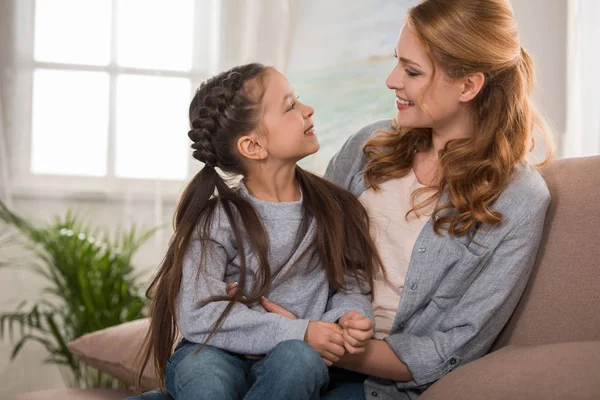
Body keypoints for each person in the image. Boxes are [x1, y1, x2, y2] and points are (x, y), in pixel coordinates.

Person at [259, 0, 554, 399]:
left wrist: (325, 342)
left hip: (371, 382)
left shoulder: (519, 198)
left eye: (412, 71)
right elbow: (306, 246)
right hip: (287, 342)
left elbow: (451, 348)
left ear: (468, 85)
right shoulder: (368, 146)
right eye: (398, 62)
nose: (391, 80)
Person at [132, 63, 384, 400]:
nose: (308, 110)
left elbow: (351, 286)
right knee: (203, 376)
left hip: (294, 360)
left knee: (300, 360)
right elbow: (199, 313)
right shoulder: (217, 220)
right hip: (217, 352)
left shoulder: (334, 209)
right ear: (253, 146)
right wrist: (300, 329)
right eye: (290, 106)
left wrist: (348, 319)